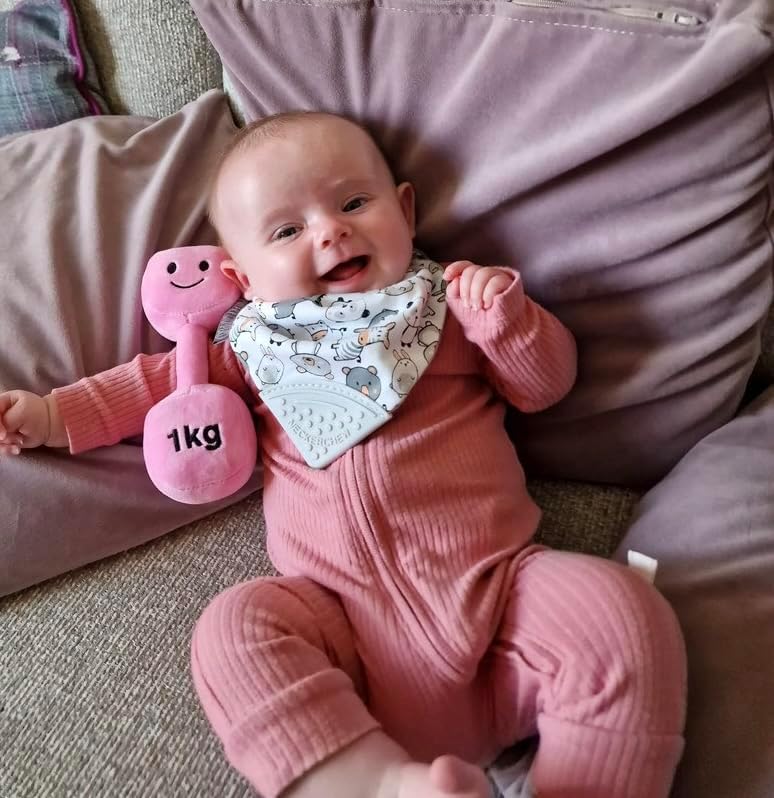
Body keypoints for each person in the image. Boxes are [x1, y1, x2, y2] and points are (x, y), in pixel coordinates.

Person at [0, 111, 686, 798]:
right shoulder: (252, 351)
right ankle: (376, 786)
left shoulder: (443, 311)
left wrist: (508, 323)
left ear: (405, 210)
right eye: (287, 231)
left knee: (621, 613)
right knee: (232, 631)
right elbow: (154, 387)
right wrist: (52, 415)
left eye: (354, 202)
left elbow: (543, 387)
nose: (330, 231)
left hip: (500, 603)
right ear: (240, 277)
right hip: (347, 646)